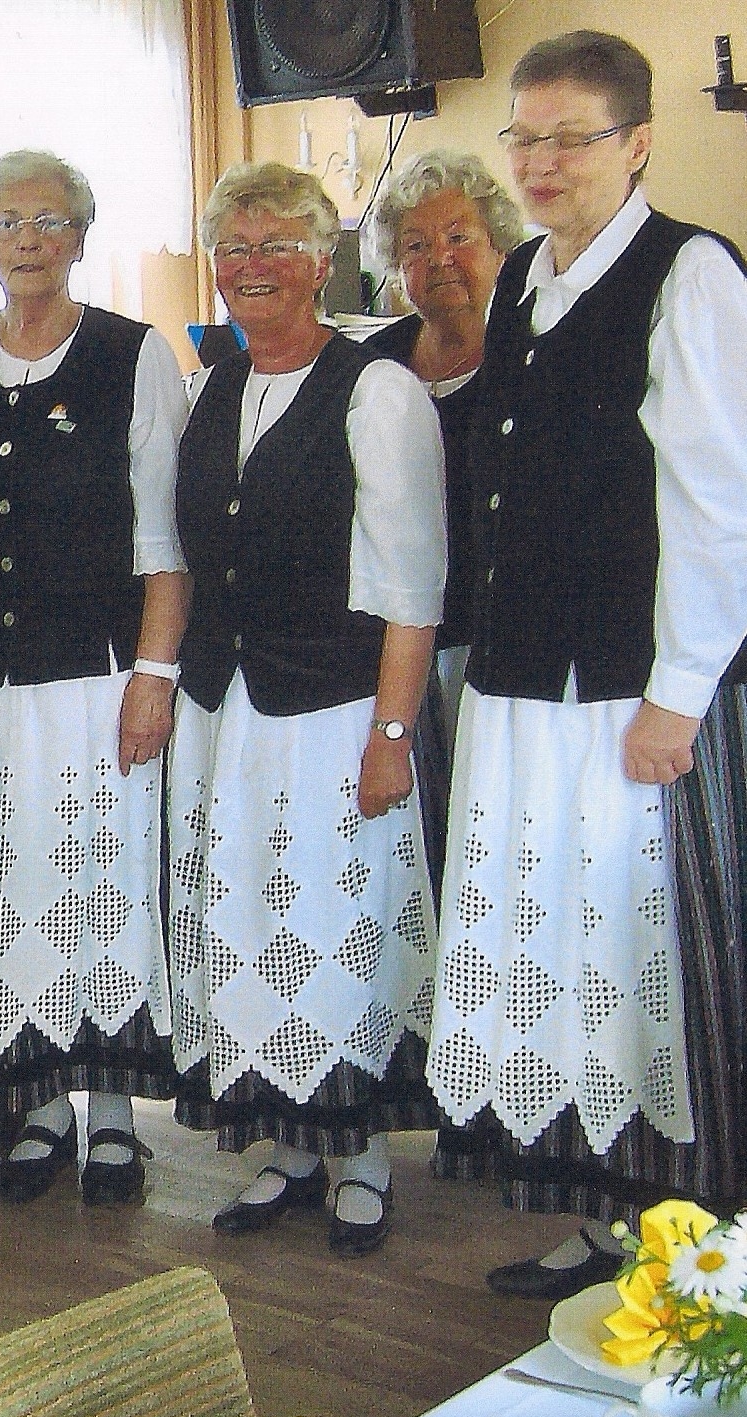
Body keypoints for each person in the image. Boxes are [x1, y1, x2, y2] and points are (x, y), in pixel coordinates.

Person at [421, 31, 747, 1299]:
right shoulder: (521, 277)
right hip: (525, 687)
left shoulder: (690, 275)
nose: (542, 162)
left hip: (634, 692)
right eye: (525, 137)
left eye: (572, 138)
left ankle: (693, 1249)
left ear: (638, 142)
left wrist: (680, 692)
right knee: (556, 947)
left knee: (651, 950)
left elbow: (717, 505)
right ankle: (600, 1217)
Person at [168, 163, 448, 1257]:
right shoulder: (210, 388)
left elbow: (411, 588)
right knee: (248, 918)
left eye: (277, 246)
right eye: (234, 249)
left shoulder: (376, 391)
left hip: (336, 707)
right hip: (227, 711)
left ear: (322, 259)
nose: (252, 268)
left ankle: (359, 1154)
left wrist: (390, 737)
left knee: (337, 921)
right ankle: (286, 1144)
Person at [0, 150, 191, 1207]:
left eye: (48, 221)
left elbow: (163, 536)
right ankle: (33, 1108)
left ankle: (111, 1113)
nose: (26, 240)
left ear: (79, 236)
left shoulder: (131, 352)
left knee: (94, 879)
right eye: (5, 222)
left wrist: (153, 672)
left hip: (92, 673)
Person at [364, 150, 525, 763]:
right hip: (395, 651)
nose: (439, 258)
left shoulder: (530, 353)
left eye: (459, 238)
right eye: (416, 246)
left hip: (502, 650)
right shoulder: (371, 366)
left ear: (499, 246)